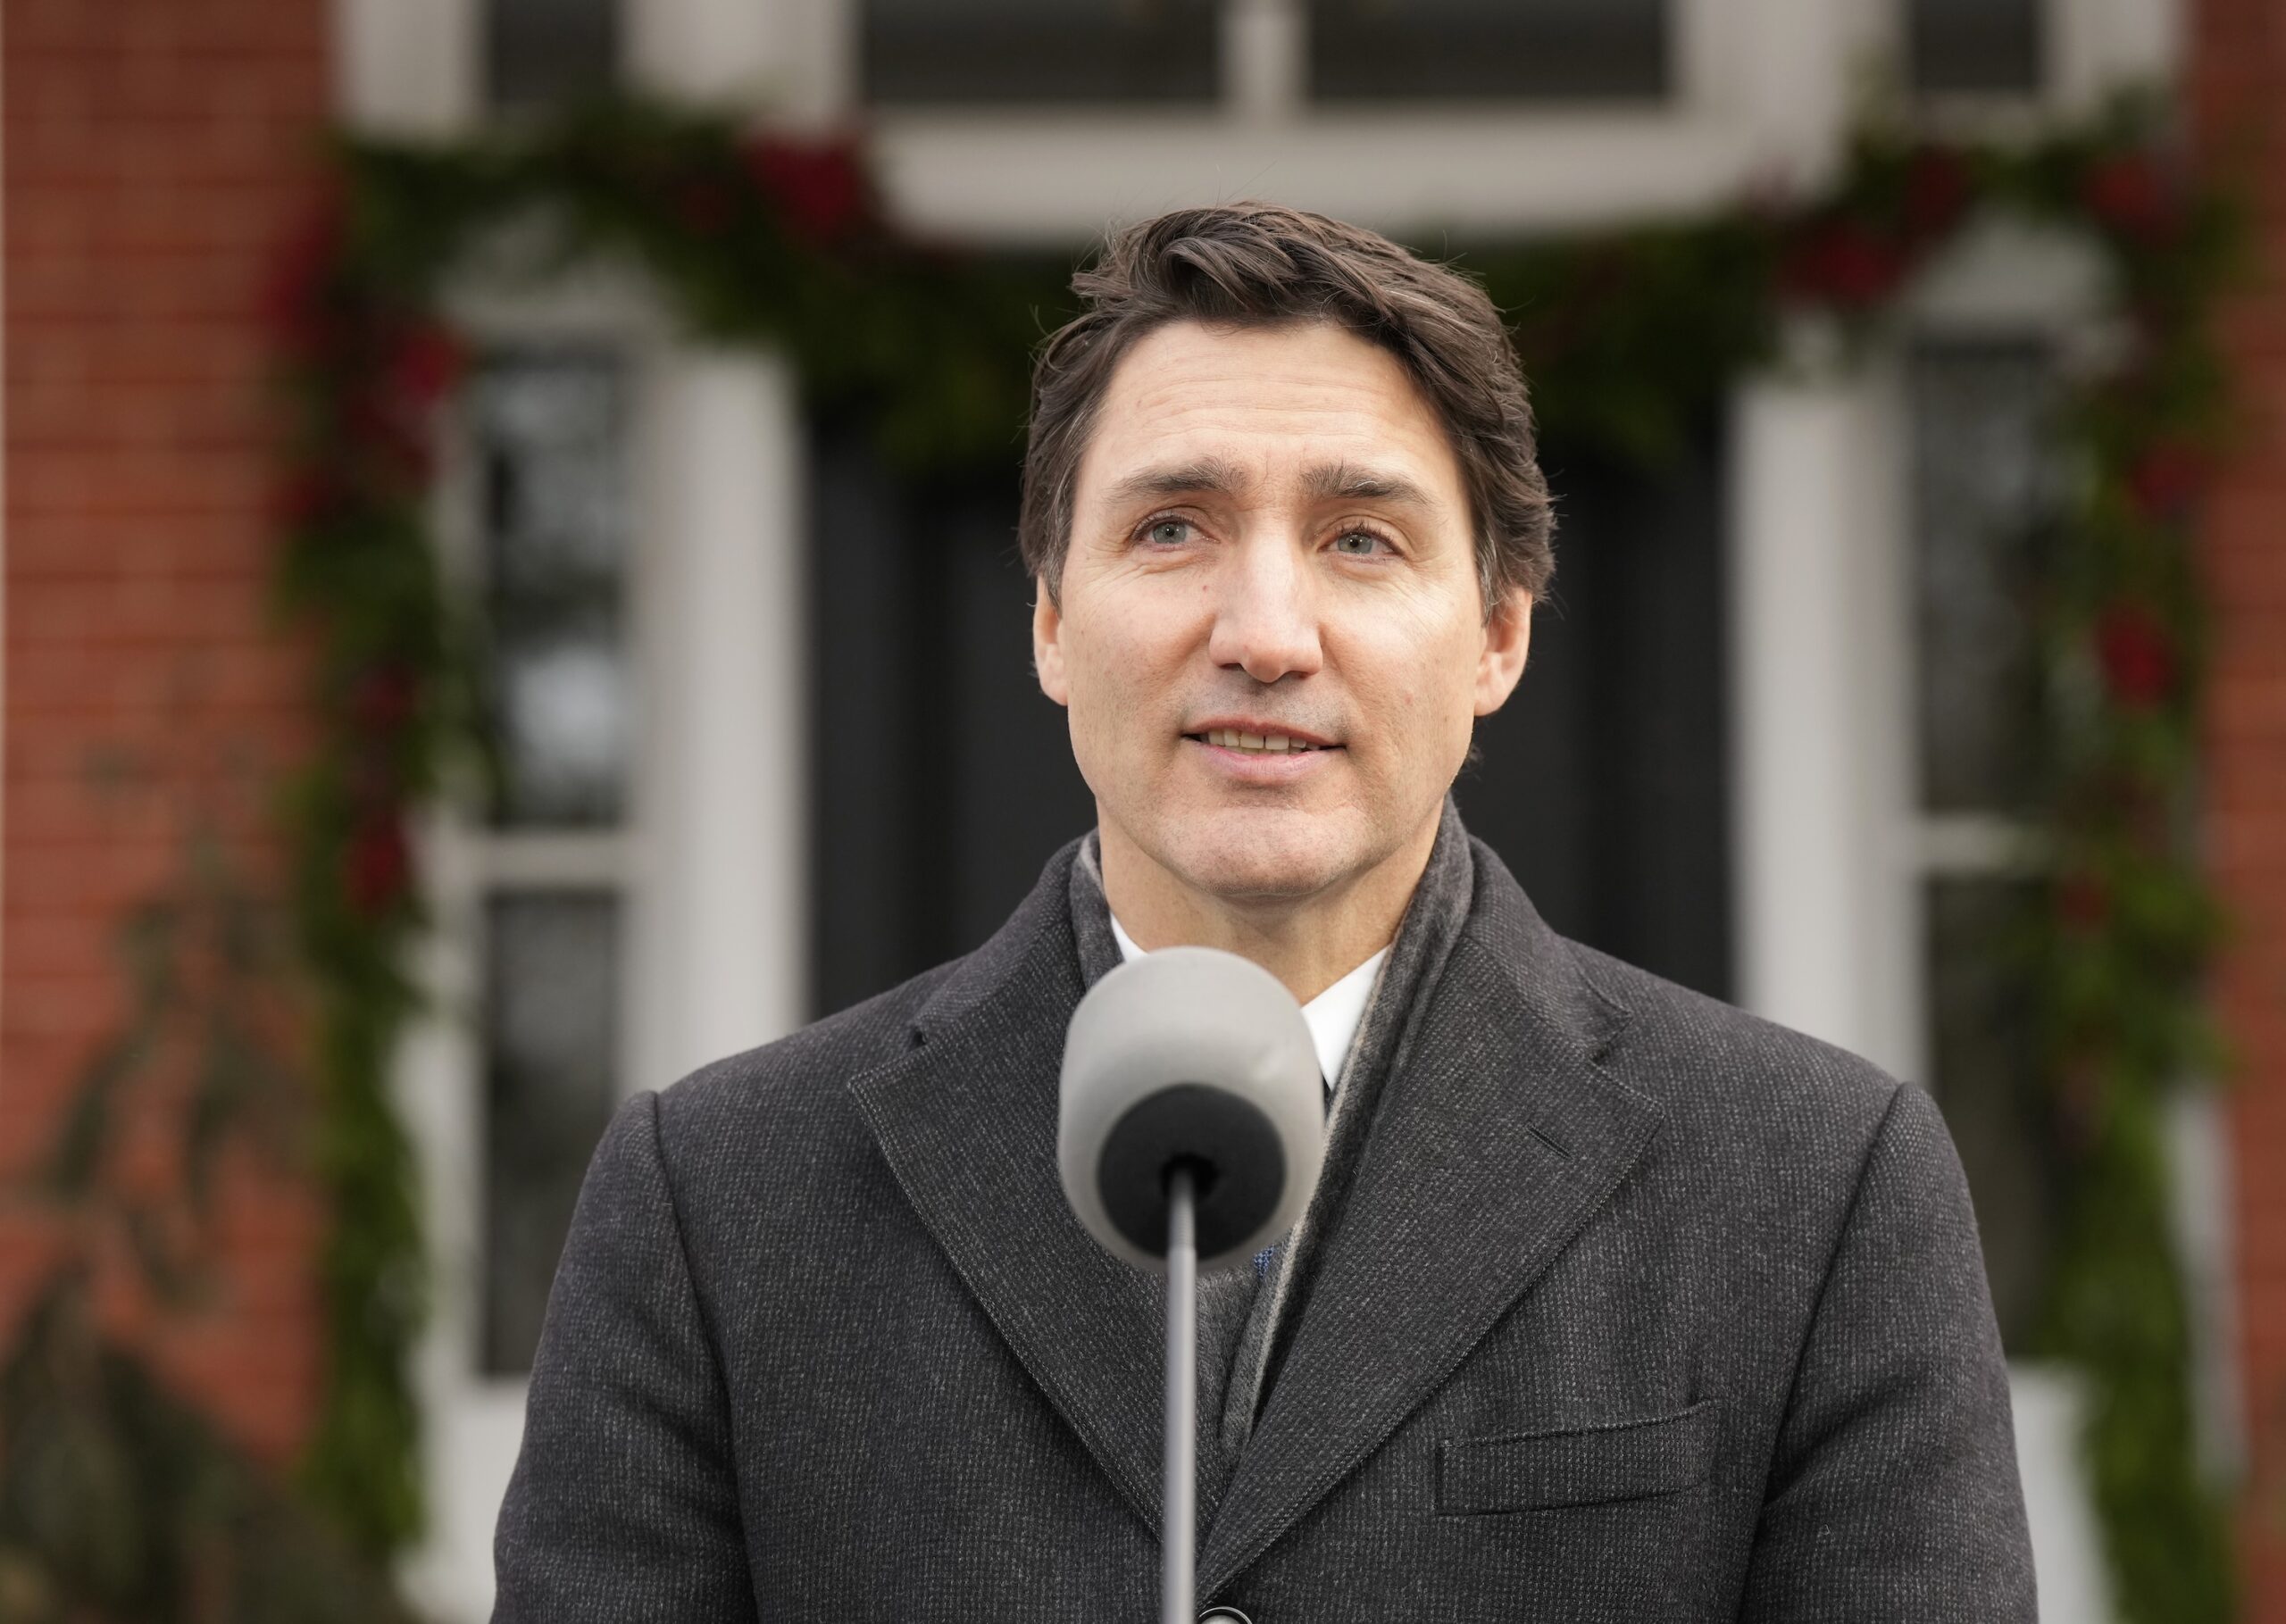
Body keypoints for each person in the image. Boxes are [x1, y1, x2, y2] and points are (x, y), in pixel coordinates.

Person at [493, 204, 2035, 1621]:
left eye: (1362, 539)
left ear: (1497, 635)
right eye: (1173, 527)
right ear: (1048, 618)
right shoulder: (713, 1204)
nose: (1266, 634)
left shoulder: (1823, 1192)